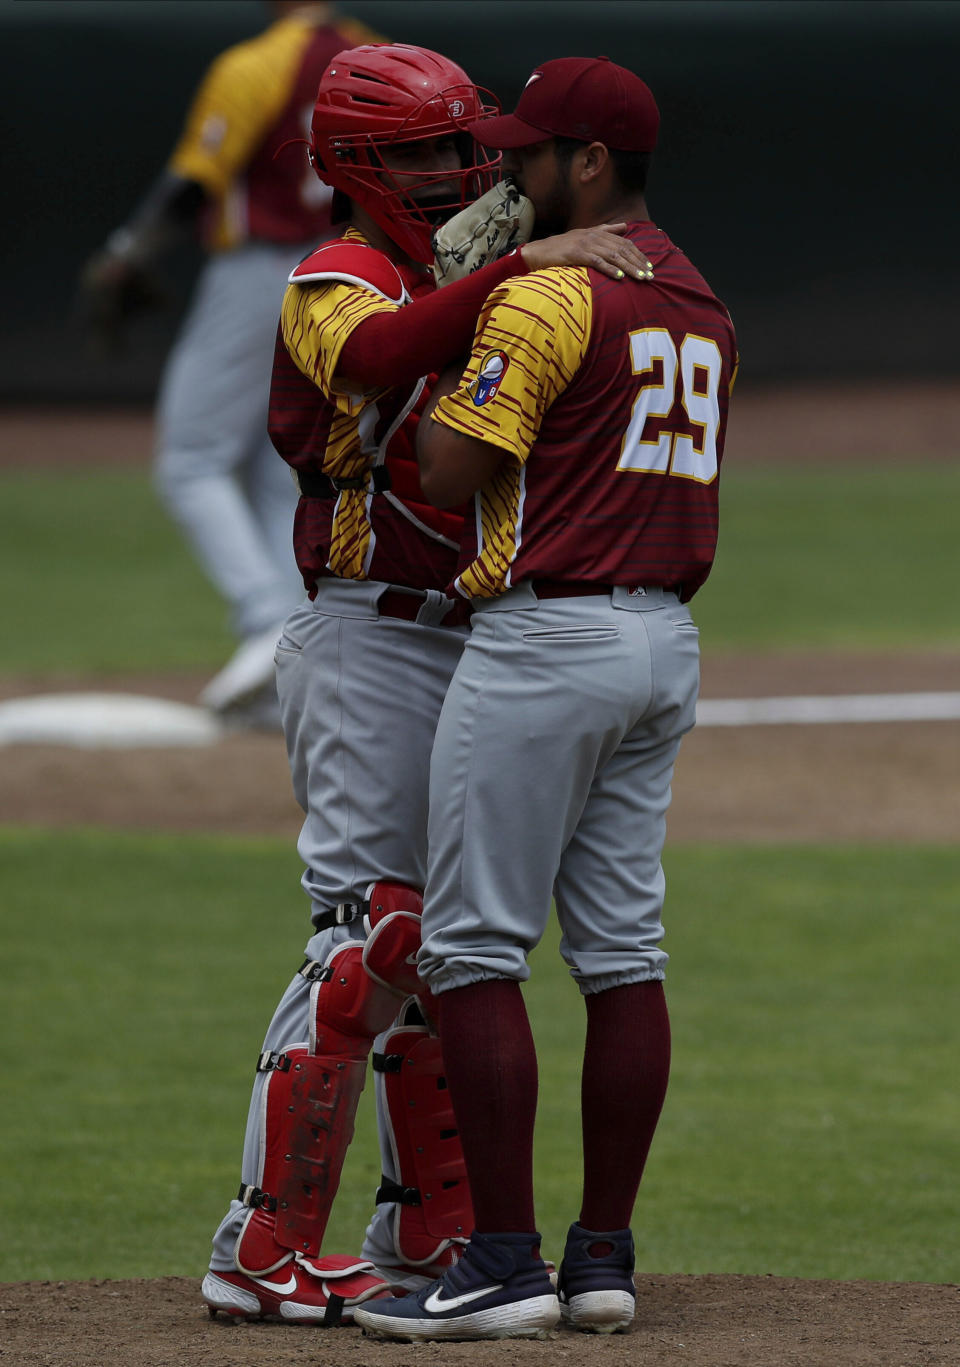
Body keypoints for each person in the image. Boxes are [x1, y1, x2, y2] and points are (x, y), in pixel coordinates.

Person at [199, 42, 654, 1327]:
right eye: (416, 152)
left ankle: (433, 1227)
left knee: (450, 946)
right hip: (364, 635)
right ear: (349, 165)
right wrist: (527, 262)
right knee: (369, 938)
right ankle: (261, 1241)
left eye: (463, 145)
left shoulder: (458, 268)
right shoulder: (335, 272)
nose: (452, 171)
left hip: (466, 631)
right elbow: (383, 352)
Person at [354, 55, 739, 1343]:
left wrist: (469, 323)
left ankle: (502, 1262)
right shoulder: (702, 303)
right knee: (624, 952)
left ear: (587, 164)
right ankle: (603, 1256)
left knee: (472, 947)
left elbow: (451, 467)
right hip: (663, 647)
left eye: (527, 154)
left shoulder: (551, 295)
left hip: (543, 642)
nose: (506, 174)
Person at [79, 2, 384, 725]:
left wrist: (127, 256)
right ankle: (297, 658)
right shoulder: (376, 54)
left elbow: (194, 182)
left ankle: (263, 621)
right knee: (283, 470)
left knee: (190, 461)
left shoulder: (256, 63)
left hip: (260, 270)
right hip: (353, 268)